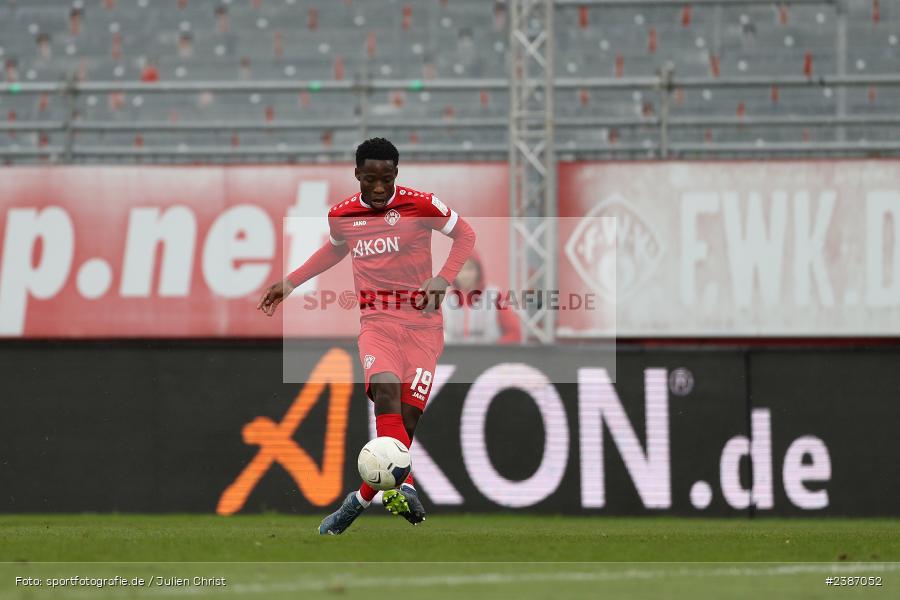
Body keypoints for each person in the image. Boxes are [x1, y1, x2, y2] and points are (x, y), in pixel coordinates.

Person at [257, 138, 476, 535]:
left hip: (424, 327)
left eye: (386, 179)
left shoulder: (421, 204)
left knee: (405, 424)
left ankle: (355, 503)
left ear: (396, 174)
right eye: (370, 179)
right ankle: (404, 486)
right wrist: (289, 283)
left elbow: (465, 235)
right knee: (386, 392)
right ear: (357, 173)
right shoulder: (341, 215)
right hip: (377, 322)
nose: (378, 188)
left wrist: (443, 279)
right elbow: (334, 250)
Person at [442, 255, 521, 344]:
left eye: (470, 268)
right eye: (460, 269)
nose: (465, 274)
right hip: (453, 356)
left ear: (479, 270)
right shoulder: (444, 300)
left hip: (490, 356)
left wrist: (496, 351)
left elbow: (514, 333)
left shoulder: (497, 297)